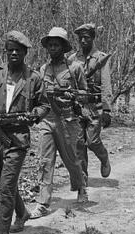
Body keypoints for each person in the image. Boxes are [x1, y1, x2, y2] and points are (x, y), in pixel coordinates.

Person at [0, 31, 49, 234]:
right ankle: (22, 212)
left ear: (25, 53)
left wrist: (33, 115)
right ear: (5, 51)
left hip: (18, 138)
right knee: (2, 181)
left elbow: (44, 105)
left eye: (18, 50)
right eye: (10, 50)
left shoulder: (33, 78)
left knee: (7, 185)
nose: (14, 53)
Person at [32, 27, 88, 218]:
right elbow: (38, 96)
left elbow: (84, 94)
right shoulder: (42, 70)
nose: (53, 48)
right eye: (50, 45)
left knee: (71, 158)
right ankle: (43, 202)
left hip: (67, 119)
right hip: (47, 119)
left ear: (64, 47)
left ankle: (81, 186)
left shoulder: (75, 68)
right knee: (45, 161)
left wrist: (73, 95)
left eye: (57, 44)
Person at [69, 23, 112, 181]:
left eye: (87, 37)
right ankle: (82, 177)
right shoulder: (72, 59)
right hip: (78, 107)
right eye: (81, 38)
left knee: (92, 141)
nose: (83, 41)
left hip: (95, 107)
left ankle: (104, 157)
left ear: (93, 38)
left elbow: (106, 84)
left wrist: (107, 109)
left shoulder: (101, 58)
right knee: (79, 143)